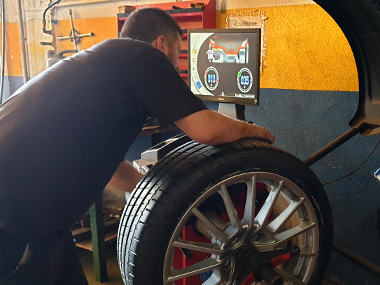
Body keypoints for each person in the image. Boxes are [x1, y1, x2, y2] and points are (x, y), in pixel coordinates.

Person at [0, 7, 275, 285]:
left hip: (40, 218)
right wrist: (255, 132)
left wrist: (163, 199)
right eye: (177, 54)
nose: (176, 65)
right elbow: (206, 129)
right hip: (19, 214)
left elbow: (116, 172)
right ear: (162, 43)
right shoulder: (144, 56)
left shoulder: (103, 59)